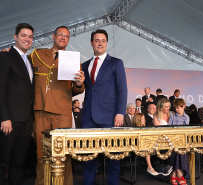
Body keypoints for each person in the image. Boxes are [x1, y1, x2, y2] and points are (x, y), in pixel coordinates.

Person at [30, 26, 85, 185]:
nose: (63, 38)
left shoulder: (74, 61)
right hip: (40, 110)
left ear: (68, 40)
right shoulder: (37, 55)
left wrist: (80, 84)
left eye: (66, 36)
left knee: (64, 156)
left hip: (63, 113)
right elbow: (23, 68)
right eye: (60, 34)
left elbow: (76, 89)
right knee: (41, 155)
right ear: (54, 36)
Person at [81, 29, 127, 185]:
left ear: (107, 43)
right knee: (88, 156)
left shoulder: (116, 63)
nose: (100, 43)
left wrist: (120, 113)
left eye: (103, 40)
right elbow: (82, 88)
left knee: (113, 156)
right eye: (96, 40)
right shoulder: (84, 65)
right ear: (91, 42)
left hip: (110, 116)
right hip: (88, 116)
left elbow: (122, 89)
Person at [0, 23, 35, 185]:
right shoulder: (5, 57)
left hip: (27, 120)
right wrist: (4, 118)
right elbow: (1, 88)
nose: (27, 39)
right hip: (10, 120)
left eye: (30, 36)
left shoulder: (29, 61)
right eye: (23, 35)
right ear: (15, 37)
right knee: (2, 161)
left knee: (19, 161)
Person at [168, 98, 189, 185]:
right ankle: (180, 174)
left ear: (183, 106)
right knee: (176, 152)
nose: (176, 110)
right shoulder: (172, 116)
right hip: (173, 139)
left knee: (179, 153)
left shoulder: (186, 117)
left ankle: (174, 174)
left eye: (178, 108)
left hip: (182, 140)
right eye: (175, 108)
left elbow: (186, 129)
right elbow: (169, 128)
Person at [153, 98, 173, 176]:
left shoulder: (172, 114)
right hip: (160, 139)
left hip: (171, 138)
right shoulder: (156, 116)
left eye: (169, 106)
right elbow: (158, 129)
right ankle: (164, 165)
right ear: (161, 107)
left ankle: (169, 165)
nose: (168, 108)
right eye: (166, 107)